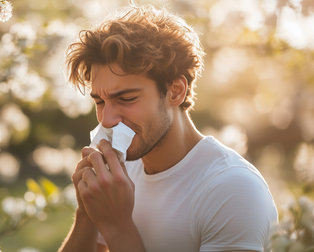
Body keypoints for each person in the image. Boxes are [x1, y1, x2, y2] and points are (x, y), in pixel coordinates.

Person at [59, 4, 278, 252]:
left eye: (127, 99)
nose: (107, 119)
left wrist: (117, 226)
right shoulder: (121, 172)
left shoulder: (232, 190)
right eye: (99, 101)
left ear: (176, 91)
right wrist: (87, 214)